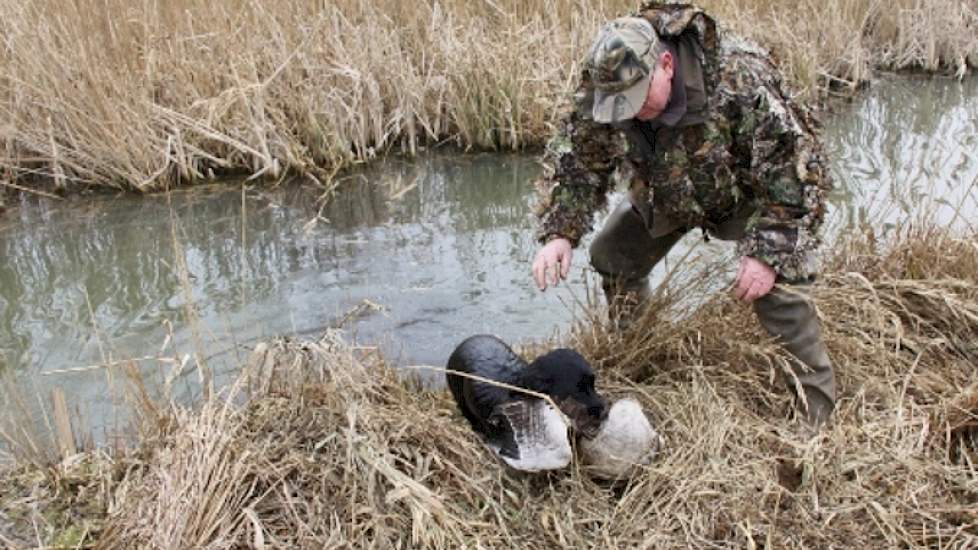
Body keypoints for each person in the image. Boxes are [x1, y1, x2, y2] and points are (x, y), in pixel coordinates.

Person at [529, 2, 836, 427]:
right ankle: (637, 352)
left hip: (748, 198)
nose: (632, 111)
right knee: (613, 256)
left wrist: (767, 252)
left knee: (781, 289)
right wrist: (559, 232)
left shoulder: (739, 78)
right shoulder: (607, 82)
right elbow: (581, 158)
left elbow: (799, 175)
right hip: (667, 191)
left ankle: (815, 417)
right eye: (621, 105)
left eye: (639, 99)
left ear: (667, 65)